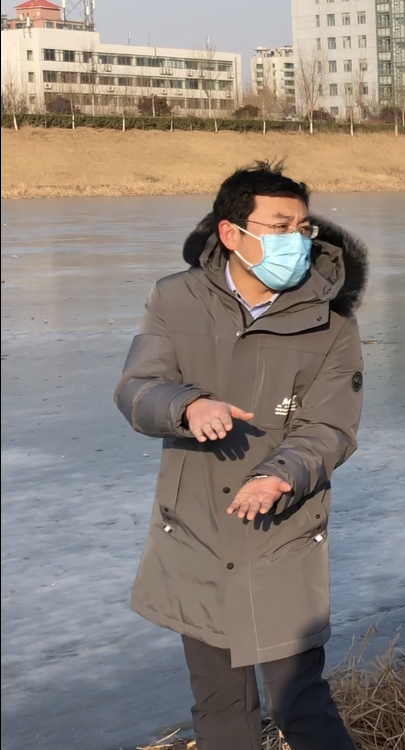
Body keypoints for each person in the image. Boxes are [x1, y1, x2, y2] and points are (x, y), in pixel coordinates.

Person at [114, 161, 368, 750]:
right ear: (232, 233)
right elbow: (136, 388)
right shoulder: (173, 300)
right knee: (221, 706)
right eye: (278, 227)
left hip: (281, 530)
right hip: (194, 531)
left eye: (301, 229)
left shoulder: (330, 323)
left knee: (296, 701)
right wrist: (187, 405)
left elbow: (330, 427)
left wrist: (280, 477)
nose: (296, 242)